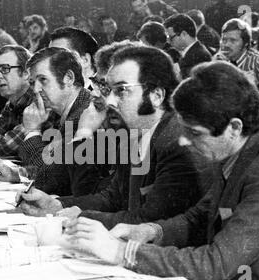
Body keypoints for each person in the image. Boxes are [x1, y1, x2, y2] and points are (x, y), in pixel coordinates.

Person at [62, 61, 259, 280]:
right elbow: (201, 216)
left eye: (194, 133)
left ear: (234, 127)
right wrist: (152, 231)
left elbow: (217, 263)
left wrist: (122, 252)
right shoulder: (238, 150)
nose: (184, 141)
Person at [16, 46, 211, 230]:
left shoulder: (176, 143)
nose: (109, 101)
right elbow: (113, 198)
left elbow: (148, 220)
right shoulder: (135, 134)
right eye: (107, 89)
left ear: (156, 95)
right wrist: (56, 205)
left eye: (121, 90)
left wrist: (79, 216)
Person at [0, 47, 109, 197]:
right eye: (32, 83)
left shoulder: (84, 114)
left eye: (43, 80)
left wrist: (32, 131)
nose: (36, 89)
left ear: (69, 78)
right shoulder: (64, 110)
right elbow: (55, 169)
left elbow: (48, 179)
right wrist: (15, 173)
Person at [216, 19, 259, 85]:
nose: (226, 44)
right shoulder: (219, 61)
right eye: (224, 40)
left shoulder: (258, 60)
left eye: (233, 40)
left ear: (245, 43)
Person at [164, 14, 212, 79]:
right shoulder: (193, 52)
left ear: (184, 34)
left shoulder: (199, 56)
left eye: (170, 37)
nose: (169, 41)